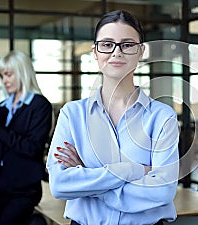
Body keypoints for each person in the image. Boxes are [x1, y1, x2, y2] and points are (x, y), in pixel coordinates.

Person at [46, 10, 179, 225]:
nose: (116, 52)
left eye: (127, 45)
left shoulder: (162, 117)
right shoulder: (72, 115)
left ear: (141, 51)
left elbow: (162, 191)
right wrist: (133, 170)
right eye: (107, 44)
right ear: (95, 52)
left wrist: (89, 180)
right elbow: (60, 185)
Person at [0, 50, 53, 225]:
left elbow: (32, 148)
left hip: (25, 187)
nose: (4, 80)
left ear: (22, 72)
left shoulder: (40, 105)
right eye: (2, 76)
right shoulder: (3, 107)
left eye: (8, 75)